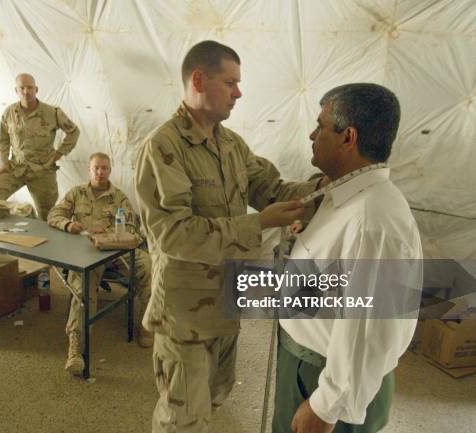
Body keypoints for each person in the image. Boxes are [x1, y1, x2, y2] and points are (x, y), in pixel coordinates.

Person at [134, 40, 321, 433]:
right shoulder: (163, 147)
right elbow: (174, 235)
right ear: (199, 79)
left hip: (226, 303)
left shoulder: (231, 144)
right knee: (182, 418)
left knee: (215, 395)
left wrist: (328, 187)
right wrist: (258, 224)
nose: (239, 92)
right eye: (231, 82)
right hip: (186, 315)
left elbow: (272, 189)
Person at [274, 83, 423, 433]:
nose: (313, 134)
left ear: (348, 137)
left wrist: (327, 406)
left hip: (327, 380)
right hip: (307, 365)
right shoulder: (343, 195)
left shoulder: (374, 220)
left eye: (321, 126)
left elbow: (369, 329)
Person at [47, 152, 153, 375]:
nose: (100, 172)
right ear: (89, 169)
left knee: (150, 268)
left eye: (105, 168)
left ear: (110, 170)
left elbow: (134, 229)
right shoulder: (77, 193)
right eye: (96, 168)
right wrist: (68, 225)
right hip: (87, 253)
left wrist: (109, 233)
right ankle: (76, 348)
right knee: (81, 287)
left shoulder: (120, 198)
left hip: (117, 251)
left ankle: (146, 325)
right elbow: (54, 214)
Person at [0, 73, 80, 221]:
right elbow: (3, 141)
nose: (26, 91)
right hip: (16, 167)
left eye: (30, 87)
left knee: (47, 215)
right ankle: (4, 236)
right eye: (22, 88)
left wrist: (58, 154)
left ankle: (44, 240)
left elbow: (73, 132)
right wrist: (3, 163)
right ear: (16, 90)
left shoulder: (52, 113)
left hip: (42, 170)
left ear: (37, 89)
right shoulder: (9, 113)